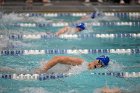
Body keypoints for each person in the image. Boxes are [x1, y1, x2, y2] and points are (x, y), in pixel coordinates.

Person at [35, 55, 110, 74]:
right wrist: (42, 70)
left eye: (102, 65)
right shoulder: (81, 62)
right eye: (99, 62)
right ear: (96, 59)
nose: (99, 66)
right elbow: (58, 58)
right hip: (45, 72)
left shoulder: (86, 69)